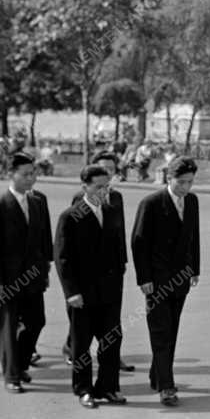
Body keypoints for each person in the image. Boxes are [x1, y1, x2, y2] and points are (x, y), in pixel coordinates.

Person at [55, 165, 128, 408]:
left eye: (107, 186)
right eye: (98, 187)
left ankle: (108, 388)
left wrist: (119, 279)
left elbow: (119, 251)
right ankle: (84, 389)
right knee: (81, 344)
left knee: (111, 341)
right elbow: (62, 259)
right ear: (84, 187)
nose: (103, 191)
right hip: (82, 294)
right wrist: (71, 292)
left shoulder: (113, 211)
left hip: (109, 292)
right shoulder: (70, 216)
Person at [131, 156, 201, 406]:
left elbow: (194, 236)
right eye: (181, 182)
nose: (185, 187)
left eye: (190, 182)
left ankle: (157, 374)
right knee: (160, 332)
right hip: (157, 280)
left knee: (171, 330)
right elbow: (139, 242)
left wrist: (194, 269)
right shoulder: (151, 203)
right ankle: (166, 386)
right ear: (168, 178)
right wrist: (144, 278)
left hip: (181, 277)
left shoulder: (192, 201)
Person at [0, 152, 52, 393]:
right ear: (11, 175)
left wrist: (45, 269)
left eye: (33, 174)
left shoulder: (38, 203)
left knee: (36, 321)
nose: (31, 179)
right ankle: (11, 376)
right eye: (25, 174)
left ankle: (20, 364)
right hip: (8, 280)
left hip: (33, 278)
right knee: (9, 329)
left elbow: (44, 241)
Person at [62, 151, 134, 373]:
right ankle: (72, 348)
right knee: (84, 322)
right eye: (104, 169)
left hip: (111, 270)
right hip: (86, 275)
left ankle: (112, 360)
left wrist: (122, 261)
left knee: (110, 322)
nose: (108, 175)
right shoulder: (80, 201)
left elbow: (118, 231)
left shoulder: (116, 198)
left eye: (111, 171)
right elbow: (72, 245)